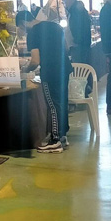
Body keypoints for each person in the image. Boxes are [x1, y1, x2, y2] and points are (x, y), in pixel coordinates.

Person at [26, 11, 71, 153]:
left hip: (50, 72)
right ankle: (62, 136)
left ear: (22, 23)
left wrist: (25, 69)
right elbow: (66, 47)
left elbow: (35, 61)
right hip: (64, 68)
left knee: (52, 105)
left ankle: (55, 140)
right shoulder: (55, 26)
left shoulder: (32, 32)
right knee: (62, 101)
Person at [63, 0, 91, 65]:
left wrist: (76, 41)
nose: (64, 2)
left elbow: (78, 28)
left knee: (79, 67)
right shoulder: (73, 10)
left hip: (78, 46)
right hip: (78, 45)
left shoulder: (76, 11)